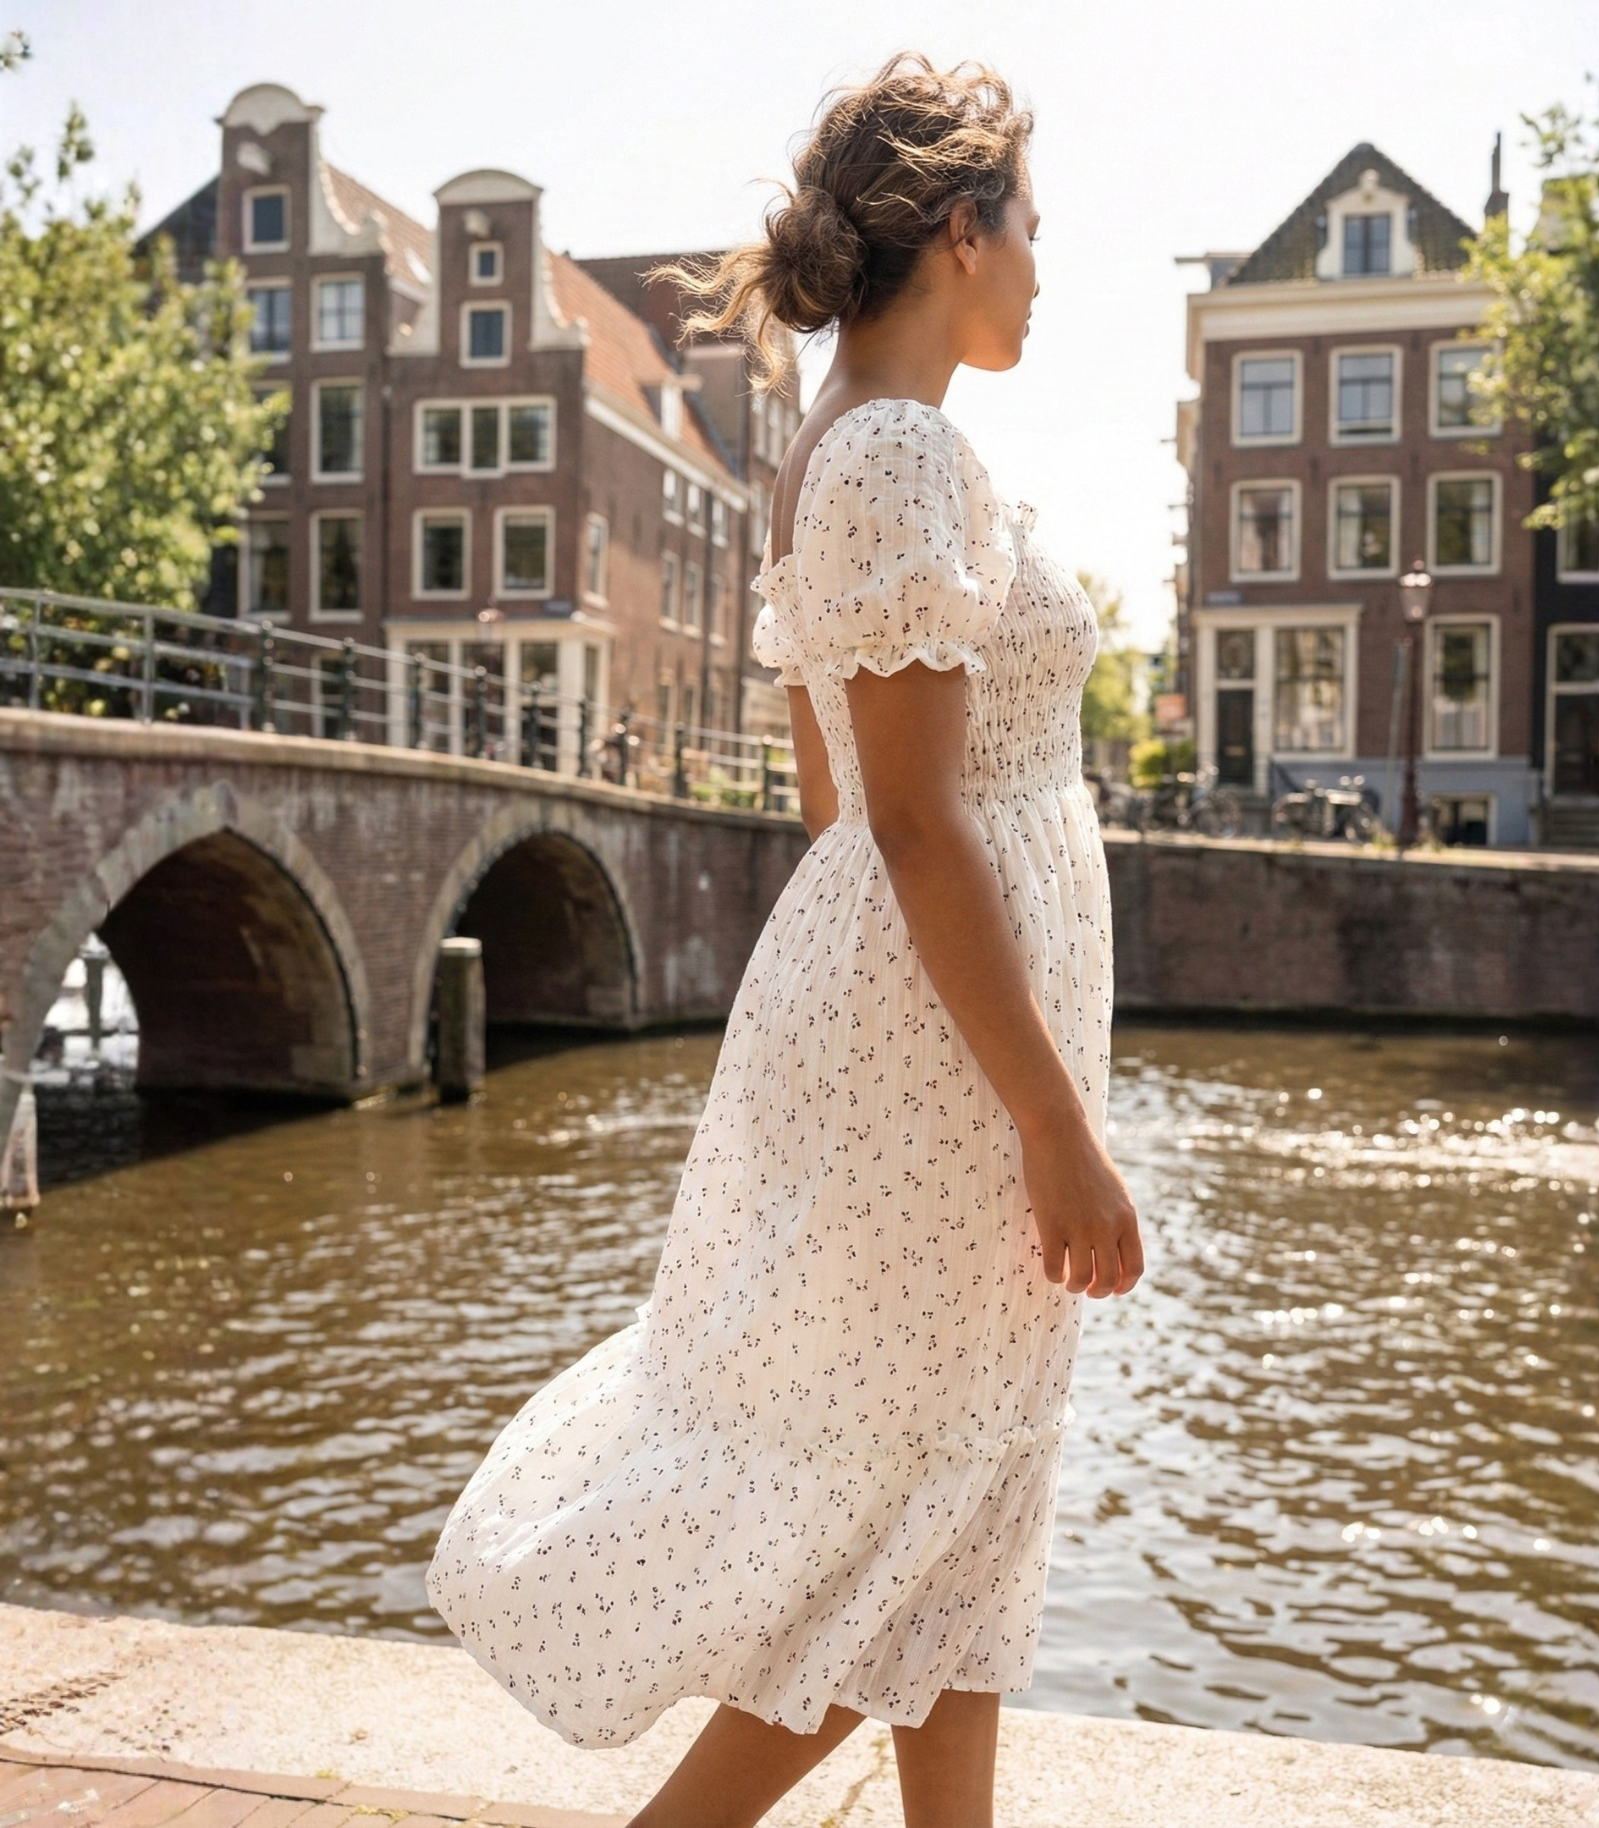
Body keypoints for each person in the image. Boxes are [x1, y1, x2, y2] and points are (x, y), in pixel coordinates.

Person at [426, 52, 1143, 1828]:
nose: (1047, 273)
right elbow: (900, 820)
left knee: (958, 1522)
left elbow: (839, 801)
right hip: (957, 1073)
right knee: (903, 1532)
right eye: (1034, 233)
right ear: (962, 233)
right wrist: (1047, 1121)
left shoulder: (842, 451)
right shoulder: (896, 454)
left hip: (919, 1039)